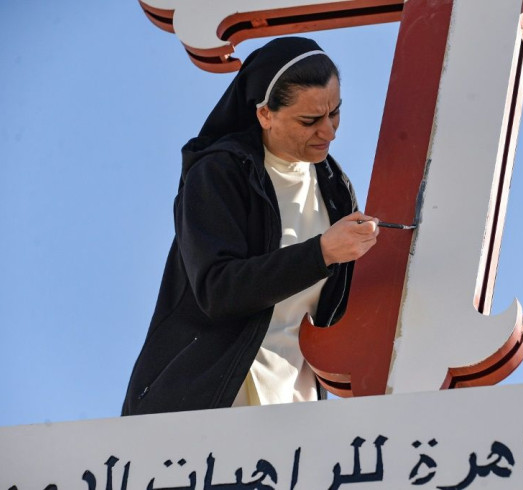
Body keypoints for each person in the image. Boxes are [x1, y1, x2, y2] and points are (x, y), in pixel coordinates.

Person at [122, 37, 379, 416]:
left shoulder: (336, 189)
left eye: (335, 113)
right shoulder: (218, 173)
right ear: (264, 115)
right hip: (211, 400)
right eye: (310, 121)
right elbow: (218, 289)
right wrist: (322, 252)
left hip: (297, 402)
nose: (329, 132)